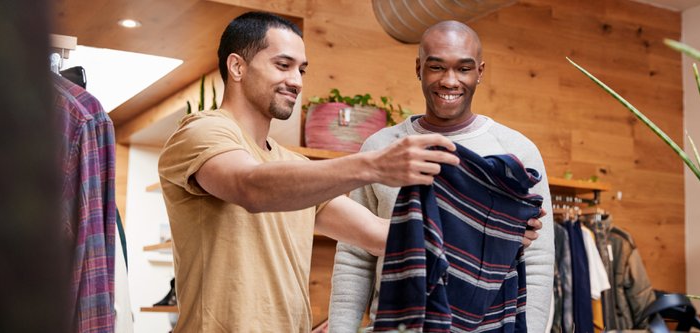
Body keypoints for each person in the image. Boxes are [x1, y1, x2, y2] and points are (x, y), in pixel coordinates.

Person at [157, 12, 463, 333]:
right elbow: (248, 187)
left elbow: (381, 236)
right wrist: (371, 166)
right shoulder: (201, 131)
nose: (297, 81)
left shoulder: (294, 168)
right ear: (237, 66)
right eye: (283, 65)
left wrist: (500, 225)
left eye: (301, 69)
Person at [328, 20, 555, 332]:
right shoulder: (381, 148)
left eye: (463, 69)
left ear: (481, 72)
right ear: (419, 68)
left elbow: (539, 262)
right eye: (437, 67)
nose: (450, 81)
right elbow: (354, 257)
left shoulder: (517, 153)